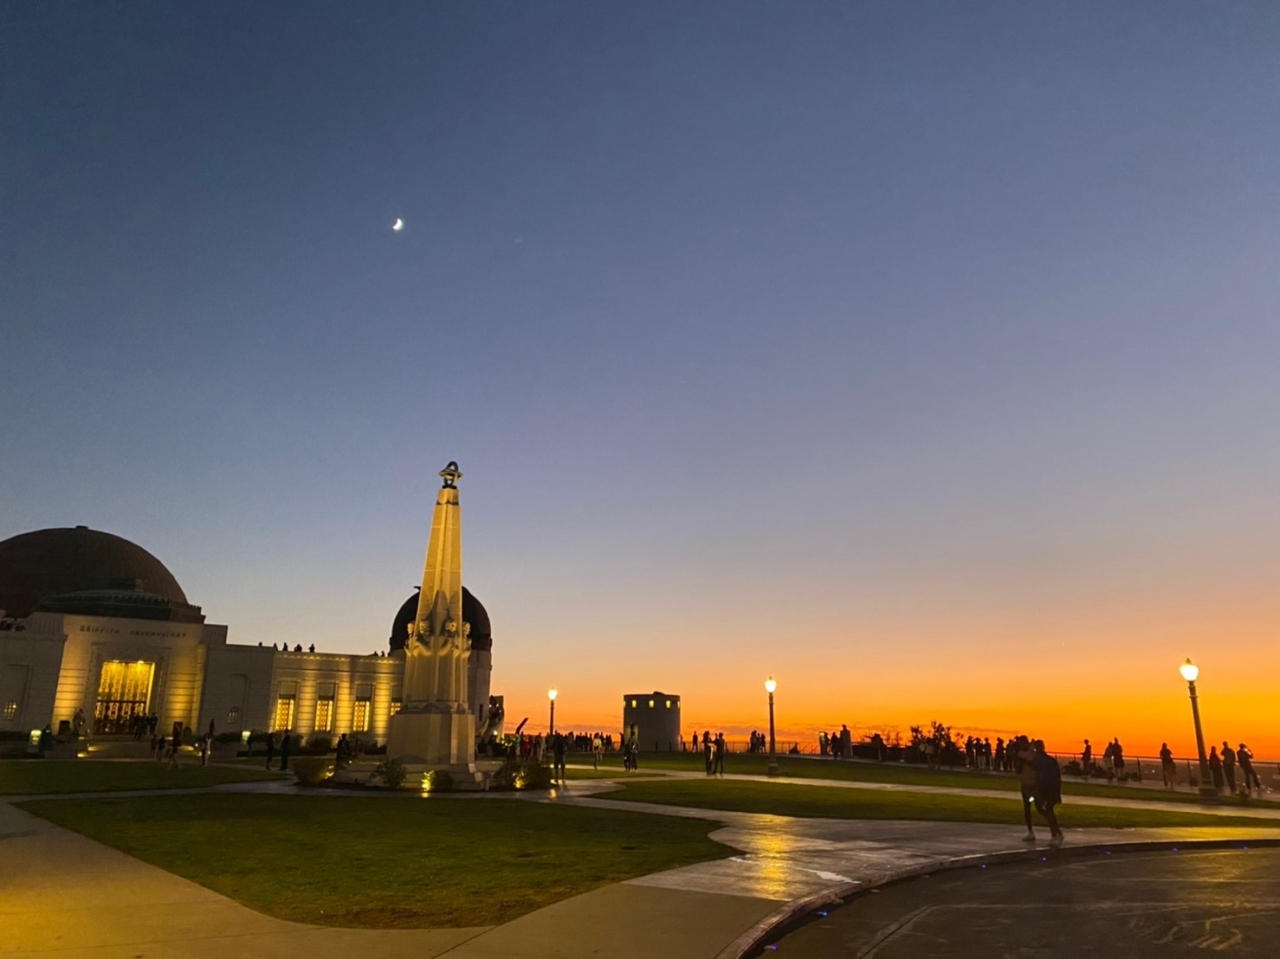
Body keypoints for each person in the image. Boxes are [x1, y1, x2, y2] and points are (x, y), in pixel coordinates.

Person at [1028, 740, 1064, 846]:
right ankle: (1056, 831)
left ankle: (1055, 834)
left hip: (1046, 789)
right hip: (1050, 789)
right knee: (1045, 809)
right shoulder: (1050, 760)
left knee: (1047, 810)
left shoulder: (1038, 760)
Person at [1013, 736, 1038, 842]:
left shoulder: (1029, 754)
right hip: (1026, 783)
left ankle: (1054, 831)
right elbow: (1019, 768)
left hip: (1034, 784)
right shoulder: (1022, 754)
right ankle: (1030, 831)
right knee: (1027, 808)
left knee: (1041, 808)